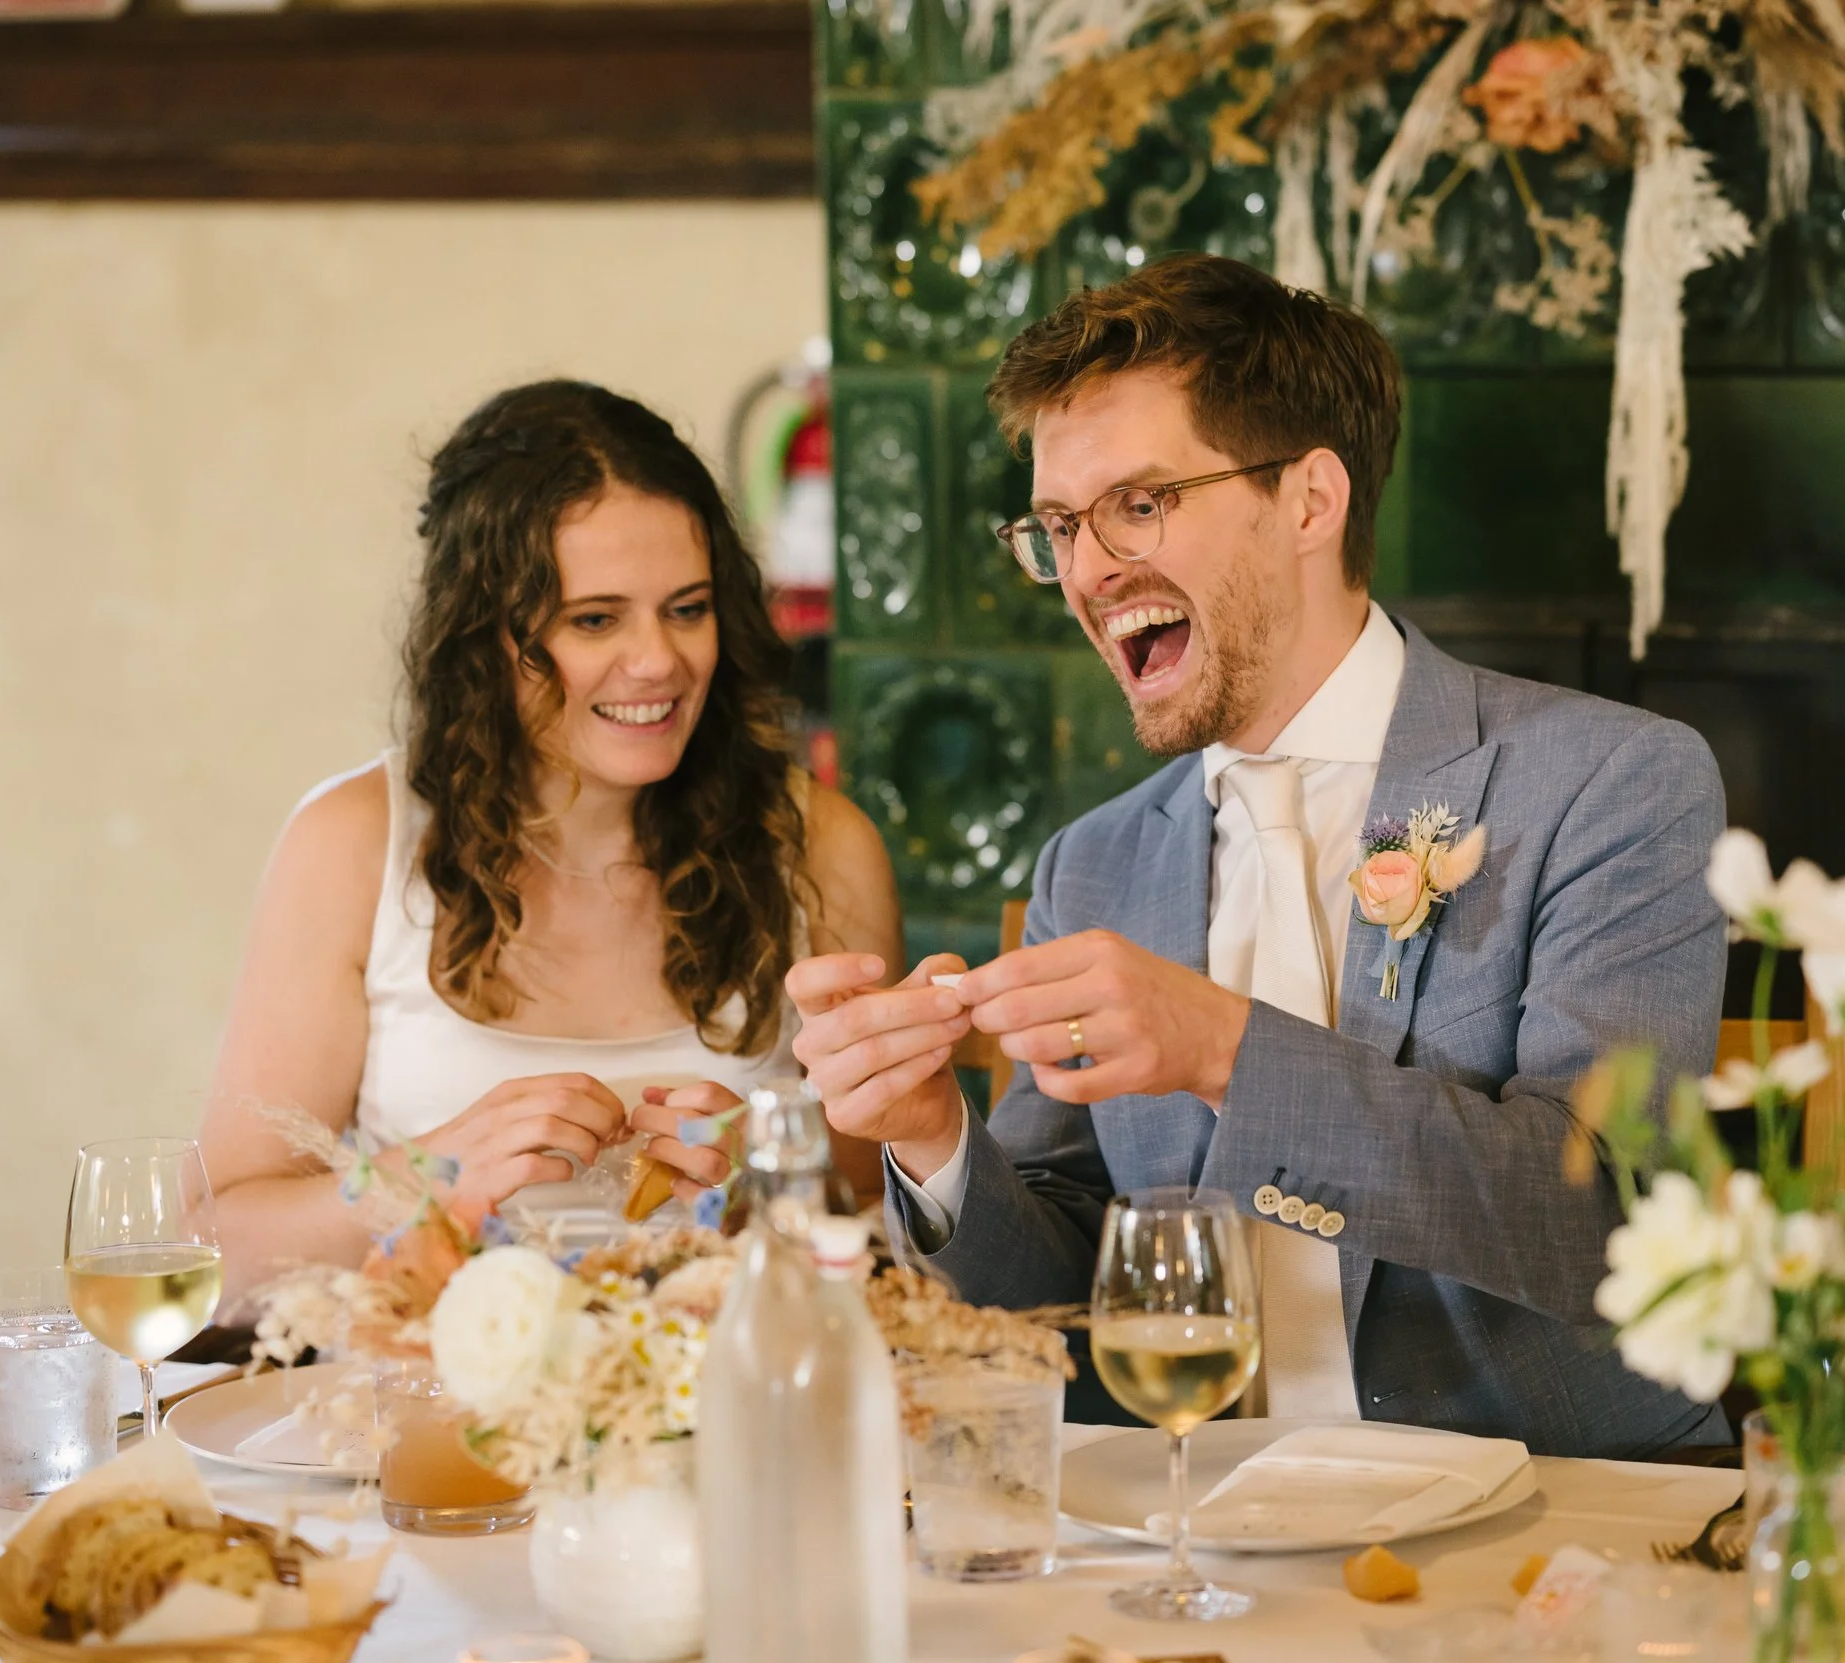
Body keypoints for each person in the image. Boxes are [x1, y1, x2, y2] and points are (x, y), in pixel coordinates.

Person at [780, 255, 1730, 1457]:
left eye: (1139, 504)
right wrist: (929, 1137)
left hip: (1564, 1523)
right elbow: (1055, 1320)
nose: (1084, 571)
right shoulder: (1096, 861)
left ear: (1308, 501)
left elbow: (1603, 1219)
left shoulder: (1609, 783)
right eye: (1060, 526)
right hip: (1207, 1528)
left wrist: (1223, 1046)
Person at [202, 380, 894, 1302]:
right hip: (415, 1424)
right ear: (482, 634)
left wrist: (767, 1175)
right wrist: (429, 1176)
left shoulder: (819, 844)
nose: (659, 661)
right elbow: (215, 1242)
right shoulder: (351, 844)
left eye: (687, 607)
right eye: (594, 619)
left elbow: (890, 1200)